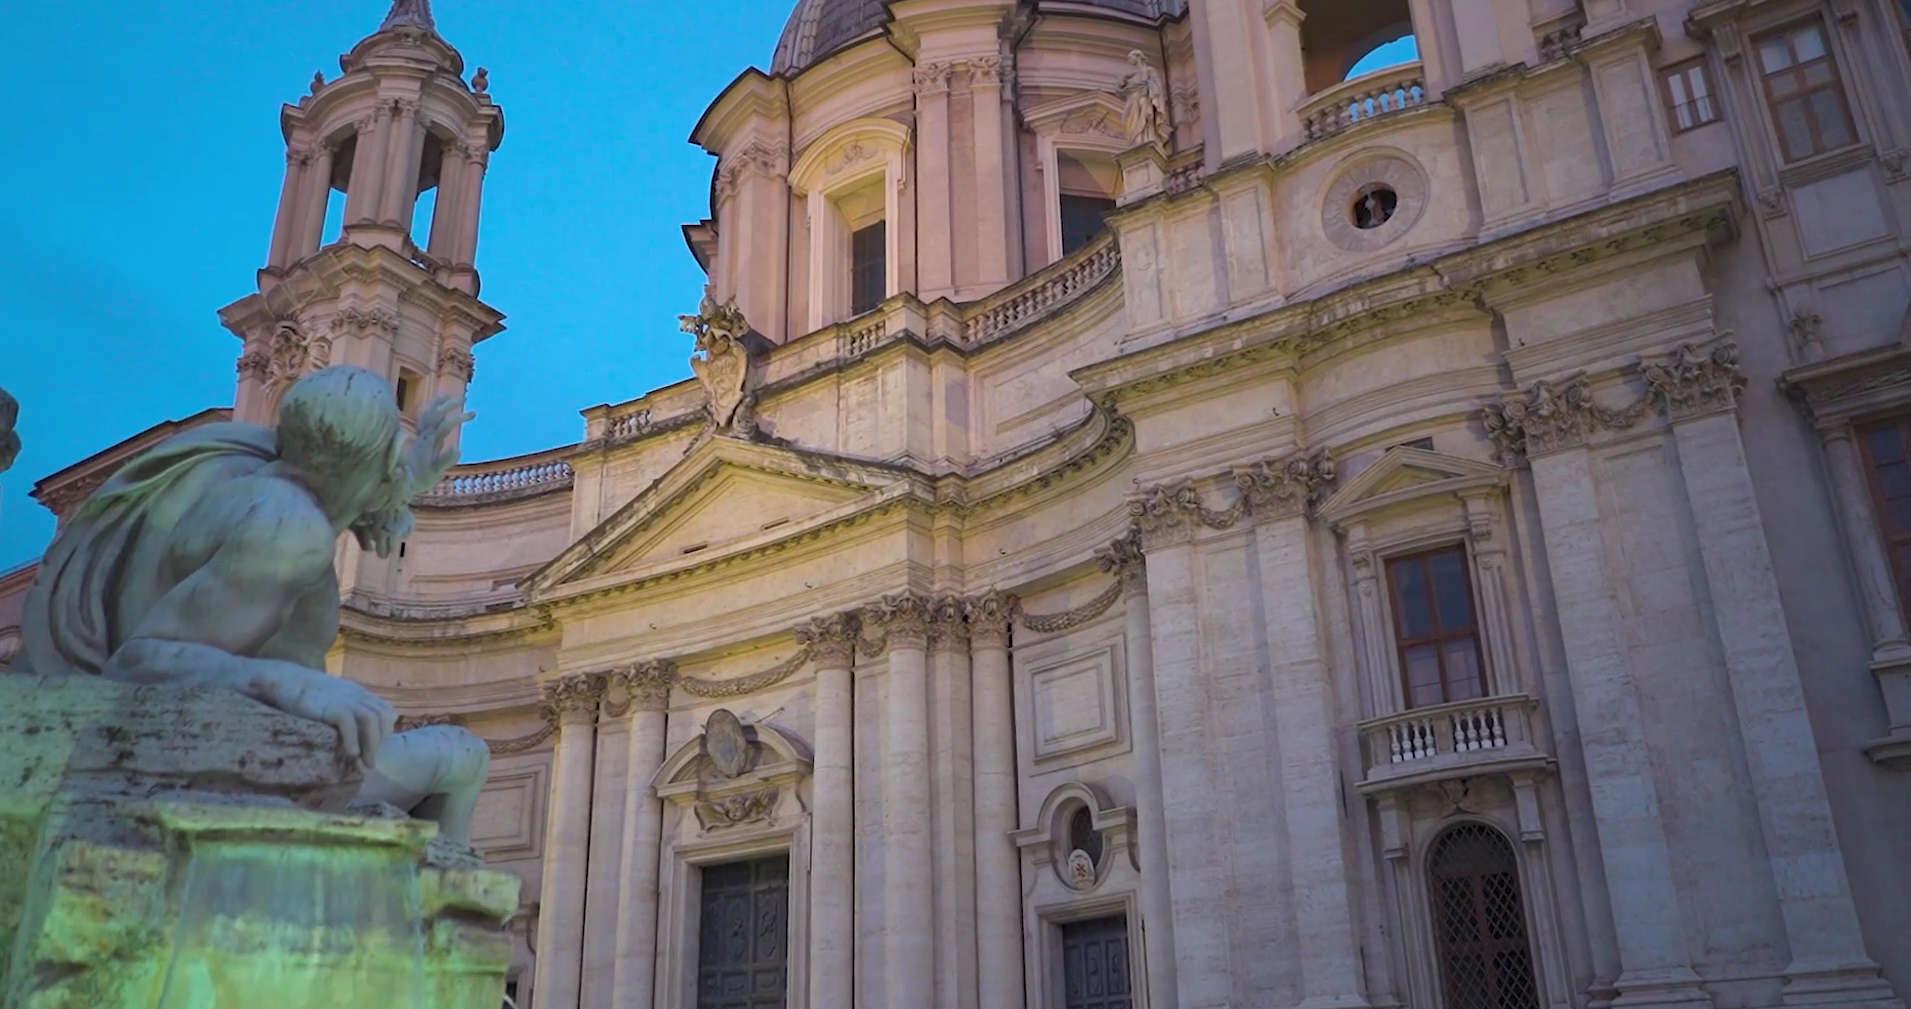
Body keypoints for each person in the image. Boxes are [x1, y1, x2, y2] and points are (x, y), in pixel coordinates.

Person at [15, 365, 488, 845]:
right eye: (391, 456)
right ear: (375, 460)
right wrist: (288, 684)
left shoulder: (235, 466)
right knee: (461, 757)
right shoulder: (289, 533)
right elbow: (139, 660)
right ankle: (440, 897)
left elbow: (332, 484)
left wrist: (405, 480)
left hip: (241, 739)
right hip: (244, 757)